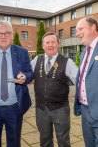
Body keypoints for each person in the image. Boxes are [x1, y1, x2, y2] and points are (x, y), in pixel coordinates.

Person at [31, 32, 78, 147]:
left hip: (60, 109)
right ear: (43, 45)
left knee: (63, 141)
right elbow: (26, 74)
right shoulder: (36, 60)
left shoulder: (67, 62)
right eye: (47, 42)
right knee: (45, 141)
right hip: (41, 109)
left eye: (53, 42)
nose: (50, 45)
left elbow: (79, 80)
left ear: (58, 44)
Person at [74, 17, 98, 147]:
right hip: (85, 110)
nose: (77, 33)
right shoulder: (84, 52)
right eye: (76, 30)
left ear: (93, 27)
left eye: (80, 29)